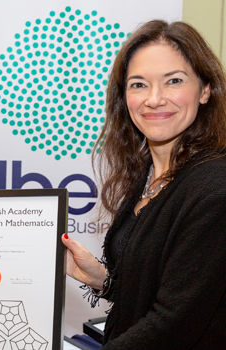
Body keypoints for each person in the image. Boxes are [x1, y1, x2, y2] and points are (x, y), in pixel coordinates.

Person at [62, 20, 226, 349]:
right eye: (138, 85)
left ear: (205, 90)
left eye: (174, 81)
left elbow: (173, 324)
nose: (154, 99)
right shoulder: (149, 174)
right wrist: (103, 281)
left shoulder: (215, 190)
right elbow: (153, 291)